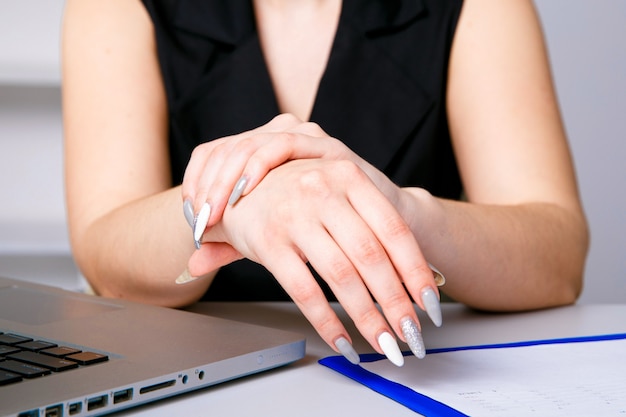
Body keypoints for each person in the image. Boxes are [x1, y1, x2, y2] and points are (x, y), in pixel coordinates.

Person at [61, 0, 589, 367]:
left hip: (413, 376)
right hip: (198, 384)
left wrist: (401, 210)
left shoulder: (479, 8)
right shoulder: (117, 9)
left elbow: (558, 260)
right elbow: (104, 256)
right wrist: (229, 206)